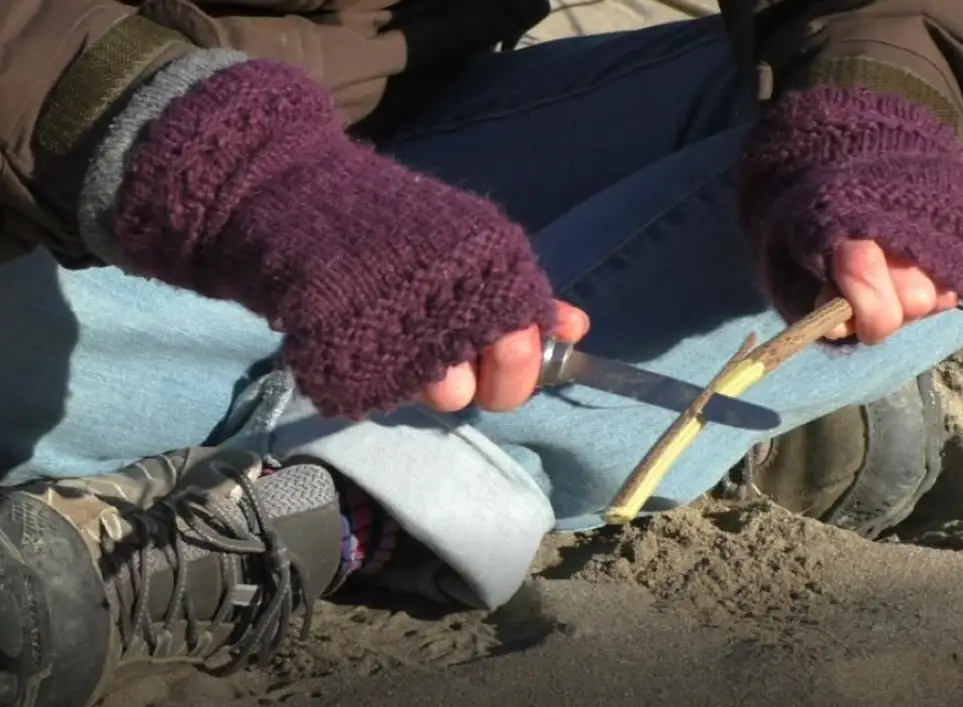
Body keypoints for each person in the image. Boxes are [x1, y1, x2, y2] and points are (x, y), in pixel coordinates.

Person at [1, 0, 962, 704]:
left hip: (404, 131)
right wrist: (234, 174)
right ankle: (352, 498)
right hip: (73, 189)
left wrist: (876, 120)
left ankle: (358, 484)